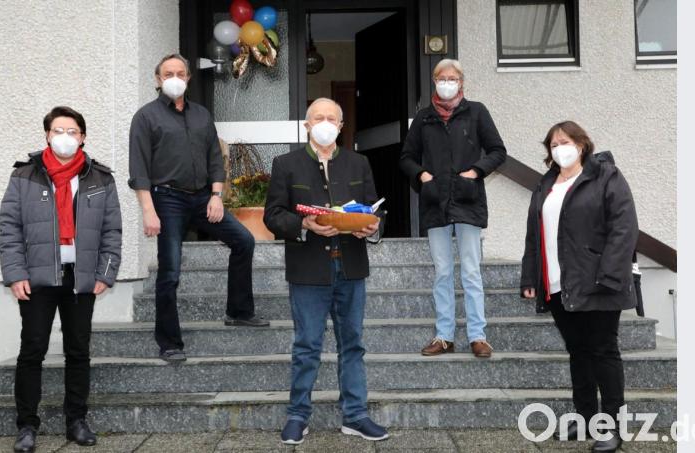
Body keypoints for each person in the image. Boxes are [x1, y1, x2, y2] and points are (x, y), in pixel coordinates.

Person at [128, 53, 270, 363]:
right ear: (158, 79)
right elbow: (138, 169)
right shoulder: (146, 117)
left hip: (203, 197)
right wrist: (149, 210)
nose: (175, 78)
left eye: (180, 73)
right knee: (170, 270)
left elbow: (214, 159)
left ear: (189, 78)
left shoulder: (202, 115)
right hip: (167, 199)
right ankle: (169, 342)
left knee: (243, 240)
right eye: (168, 74)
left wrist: (216, 195)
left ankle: (239, 312)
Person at [264, 98, 389, 445]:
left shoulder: (359, 163)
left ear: (341, 126)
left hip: (350, 266)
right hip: (308, 269)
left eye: (331, 118)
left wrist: (372, 227)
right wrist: (304, 224)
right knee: (307, 345)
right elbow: (272, 216)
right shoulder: (286, 164)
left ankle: (356, 415)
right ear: (307, 125)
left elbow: (375, 209)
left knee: (353, 344)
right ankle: (297, 416)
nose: (325, 123)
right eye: (318, 117)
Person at [0, 106, 122, 452]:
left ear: (83, 137)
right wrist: (15, 274)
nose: (65, 137)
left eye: (72, 131)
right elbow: (9, 228)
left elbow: (112, 230)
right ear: (47, 135)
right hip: (37, 278)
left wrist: (105, 273)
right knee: (32, 349)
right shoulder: (24, 176)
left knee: (78, 351)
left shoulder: (100, 178)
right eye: (58, 131)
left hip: (81, 279)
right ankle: (26, 426)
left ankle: (76, 422)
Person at [520, 121, 638, 452]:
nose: (560, 149)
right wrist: (530, 277)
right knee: (578, 351)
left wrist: (609, 275)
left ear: (582, 145)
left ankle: (612, 427)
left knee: (603, 351)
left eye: (566, 141)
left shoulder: (606, 176)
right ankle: (585, 417)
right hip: (559, 284)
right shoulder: (546, 184)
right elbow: (534, 236)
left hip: (598, 283)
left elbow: (624, 227)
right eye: (554, 144)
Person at [399, 59, 507, 358]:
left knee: (471, 271)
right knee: (443, 272)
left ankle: (478, 336)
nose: (447, 82)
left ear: (461, 82)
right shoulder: (424, 118)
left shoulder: (477, 112)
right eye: (442, 78)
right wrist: (423, 175)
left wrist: (475, 172)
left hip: (467, 200)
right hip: (436, 202)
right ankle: (444, 336)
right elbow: (406, 157)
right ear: (434, 81)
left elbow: (498, 151)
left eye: (452, 78)